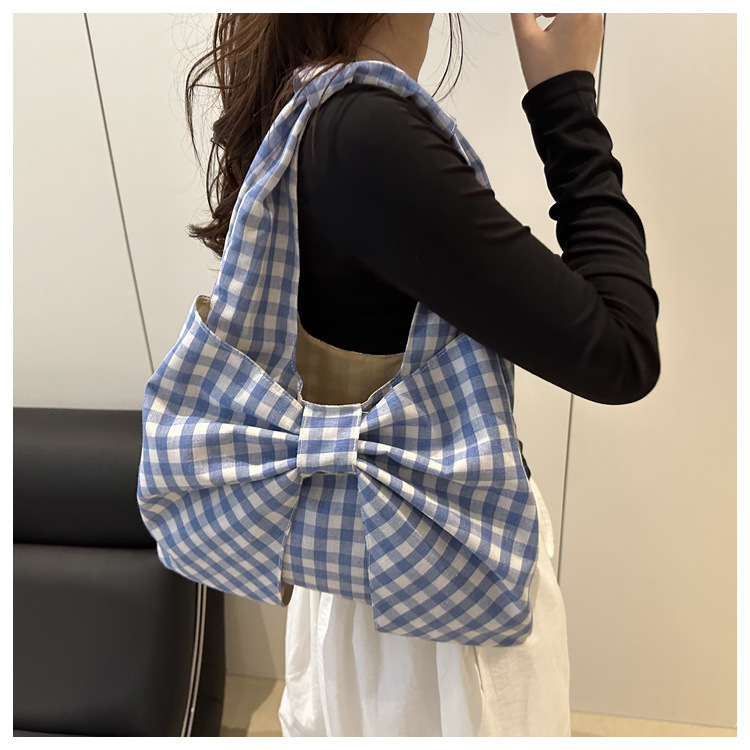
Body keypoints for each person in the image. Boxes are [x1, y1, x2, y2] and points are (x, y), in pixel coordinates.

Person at [184, 12, 659, 737]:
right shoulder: (368, 133)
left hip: (359, 577)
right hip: (436, 614)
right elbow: (623, 351)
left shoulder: (307, 101)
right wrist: (565, 97)